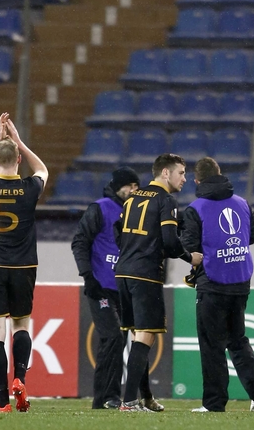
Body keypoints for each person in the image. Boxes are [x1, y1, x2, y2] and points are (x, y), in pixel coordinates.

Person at [0, 112, 48, 413]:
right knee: (21, 324)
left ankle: (3, 401)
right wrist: (18, 141)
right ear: (18, 160)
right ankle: (20, 378)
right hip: (24, 266)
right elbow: (42, 168)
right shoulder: (30, 188)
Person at [181, 157, 254, 413]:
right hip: (240, 279)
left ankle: (214, 403)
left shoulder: (195, 208)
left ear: (197, 181)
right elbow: (251, 235)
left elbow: (190, 246)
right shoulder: (241, 203)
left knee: (212, 344)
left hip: (212, 281)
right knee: (237, 339)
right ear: (220, 174)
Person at [114, 153, 202, 412]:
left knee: (138, 336)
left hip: (123, 272)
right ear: (165, 173)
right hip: (145, 274)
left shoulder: (132, 198)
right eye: (181, 173)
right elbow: (170, 242)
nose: (184, 178)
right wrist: (191, 257)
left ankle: (146, 397)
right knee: (146, 336)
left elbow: (117, 232)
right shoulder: (166, 200)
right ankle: (129, 401)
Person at [72, 166, 163, 410]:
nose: (133, 190)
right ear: (117, 186)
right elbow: (80, 242)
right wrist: (87, 277)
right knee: (113, 337)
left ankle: (134, 397)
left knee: (129, 340)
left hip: (126, 285)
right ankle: (107, 397)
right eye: (129, 186)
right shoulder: (100, 208)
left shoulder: (136, 210)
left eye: (136, 186)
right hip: (101, 287)